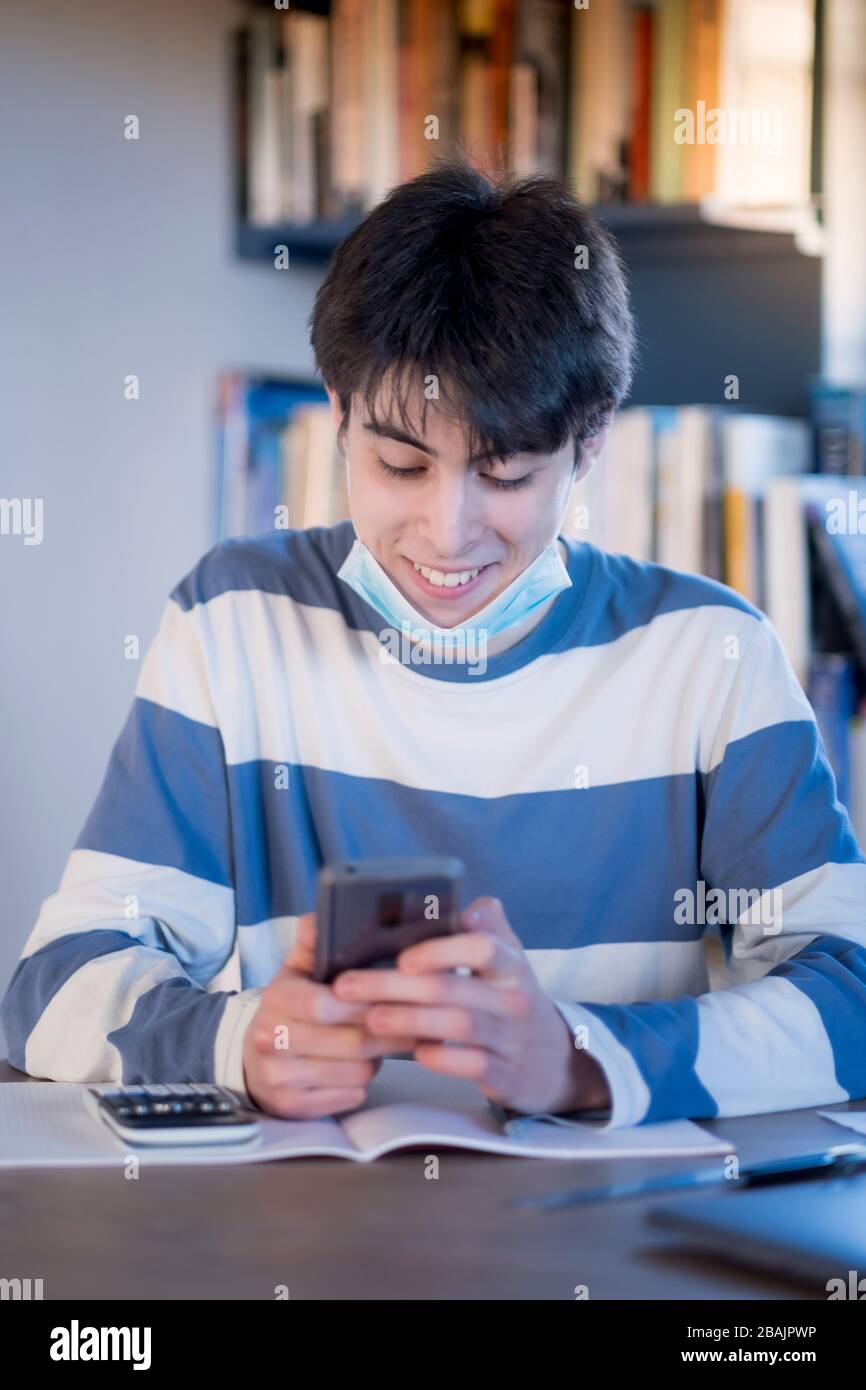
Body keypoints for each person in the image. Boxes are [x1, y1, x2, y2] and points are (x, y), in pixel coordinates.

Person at [4, 159, 865, 1129]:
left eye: (502, 474)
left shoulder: (708, 653)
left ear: (587, 445)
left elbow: (852, 997)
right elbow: (53, 984)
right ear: (334, 413)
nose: (445, 533)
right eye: (399, 464)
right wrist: (240, 1041)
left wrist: (579, 1058)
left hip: (614, 1248)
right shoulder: (232, 619)